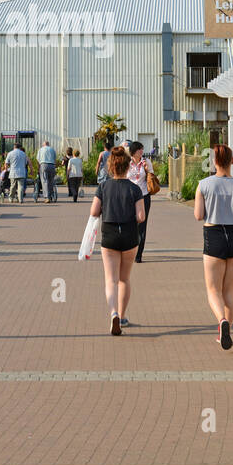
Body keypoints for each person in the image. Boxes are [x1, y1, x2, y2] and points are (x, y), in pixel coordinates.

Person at [194, 144, 233, 350]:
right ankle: (226, 332)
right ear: (232, 161)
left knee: (213, 290)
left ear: (214, 162)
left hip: (214, 235)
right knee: (229, 289)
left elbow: (198, 215)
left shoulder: (203, 185)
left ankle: (221, 321)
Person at [89, 146, 145, 334]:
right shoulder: (135, 189)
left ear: (111, 166)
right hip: (129, 235)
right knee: (124, 279)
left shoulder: (103, 187)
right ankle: (122, 315)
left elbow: (94, 212)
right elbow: (141, 216)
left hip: (110, 234)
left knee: (110, 280)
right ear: (128, 166)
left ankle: (113, 313)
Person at [126, 141, 152, 263]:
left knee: (142, 225)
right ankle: (130, 251)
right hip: (129, 197)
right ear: (133, 151)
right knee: (130, 224)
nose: (141, 151)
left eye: (142, 149)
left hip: (143, 196)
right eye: (138, 150)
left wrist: (148, 170)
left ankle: (138, 254)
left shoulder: (146, 162)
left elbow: (152, 177)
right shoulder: (127, 163)